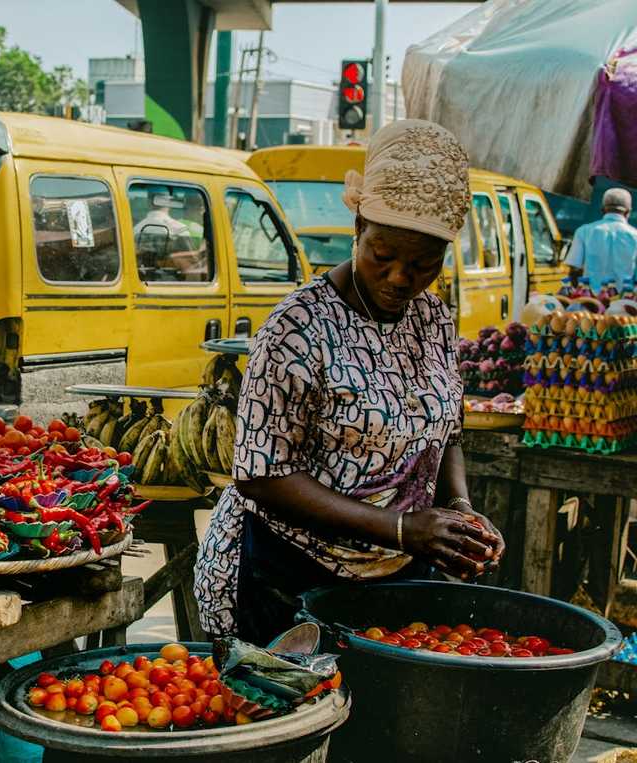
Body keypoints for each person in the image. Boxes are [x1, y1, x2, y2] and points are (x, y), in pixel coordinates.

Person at [194, 119, 505, 645]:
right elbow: (260, 475)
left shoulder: (431, 317)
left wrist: (459, 511)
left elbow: (444, 431)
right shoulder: (297, 327)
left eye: (423, 264)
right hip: (288, 579)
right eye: (383, 256)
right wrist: (403, 529)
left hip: (397, 578)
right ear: (357, 225)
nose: (401, 278)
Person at [567, 188, 637, 291]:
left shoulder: (583, 231)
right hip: (624, 301)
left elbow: (574, 269)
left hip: (590, 300)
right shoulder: (635, 235)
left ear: (602, 209)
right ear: (628, 212)